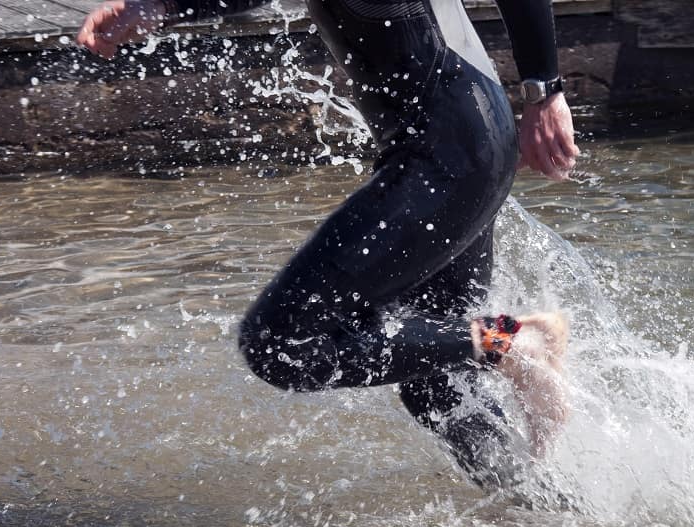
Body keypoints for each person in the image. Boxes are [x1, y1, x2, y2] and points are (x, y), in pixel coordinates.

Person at [76, 0, 580, 491]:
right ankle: (548, 517)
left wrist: (544, 91)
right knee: (436, 384)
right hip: (466, 139)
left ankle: (512, 343)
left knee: (278, 343)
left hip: (448, 150)